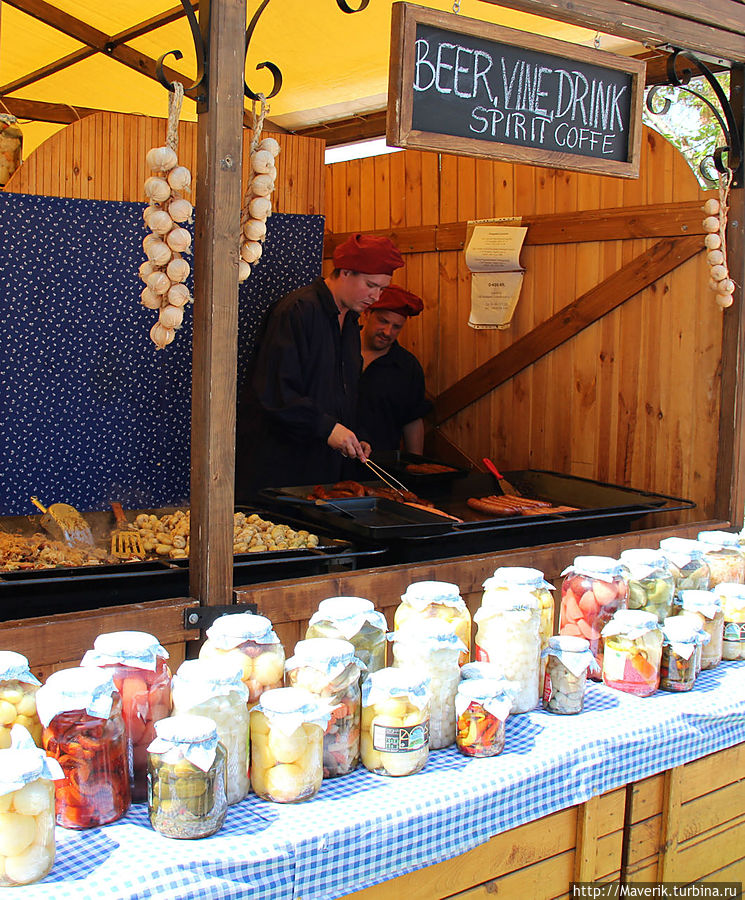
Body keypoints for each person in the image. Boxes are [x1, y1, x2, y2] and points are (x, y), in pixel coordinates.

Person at [235, 233, 405, 498]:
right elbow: (275, 392)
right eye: (371, 285)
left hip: (322, 471)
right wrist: (328, 428)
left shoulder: (349, 322)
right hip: (279, 469)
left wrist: (353, 434)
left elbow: (343, 393)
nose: (376, 297)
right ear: (346, 272)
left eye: (382, 289)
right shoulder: (297, 311)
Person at [356, 285, 431, 456]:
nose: (388, 332)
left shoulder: (407, 367)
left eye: (397, 327)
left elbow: (412, 419)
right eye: (383, 321)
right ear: (367, 314)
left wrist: (414, 465)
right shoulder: (336, 350)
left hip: (379, 464)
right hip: (326, 462)